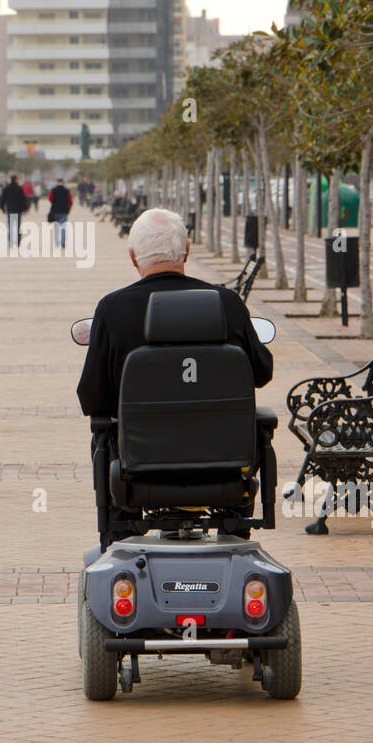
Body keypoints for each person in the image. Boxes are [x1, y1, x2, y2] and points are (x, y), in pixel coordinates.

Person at [77, 207, 273, 550]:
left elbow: (91, 399)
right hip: (225, 471)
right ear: (186, 250)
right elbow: (261, 373)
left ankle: (121, 539)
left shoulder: (112, 309)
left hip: (137, 472)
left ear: (133, 255)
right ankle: (234, 534)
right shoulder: (227, 304)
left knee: (103, 434)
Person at [1, 173, 28, 248]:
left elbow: (3, 199)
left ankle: (11, 241)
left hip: (10, 210)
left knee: (10, 226)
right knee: (17, 226)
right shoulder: (19, 188)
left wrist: (2, 208)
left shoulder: (7, 188)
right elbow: (23, 200)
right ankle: (18, 242)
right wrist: (25, 209)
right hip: (18, 210)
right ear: (16, 180)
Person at [47, 177, 73, 247]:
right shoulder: (66, 190)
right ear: (63, 182)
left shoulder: (53, 190)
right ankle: (63, 242)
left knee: (56, 228)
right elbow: (70, 201)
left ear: (57, 182)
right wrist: (68, 208)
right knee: (63, 227)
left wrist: (54, 203)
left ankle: (56, 242)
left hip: (55, 211)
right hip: (64, 211)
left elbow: (50, 198)